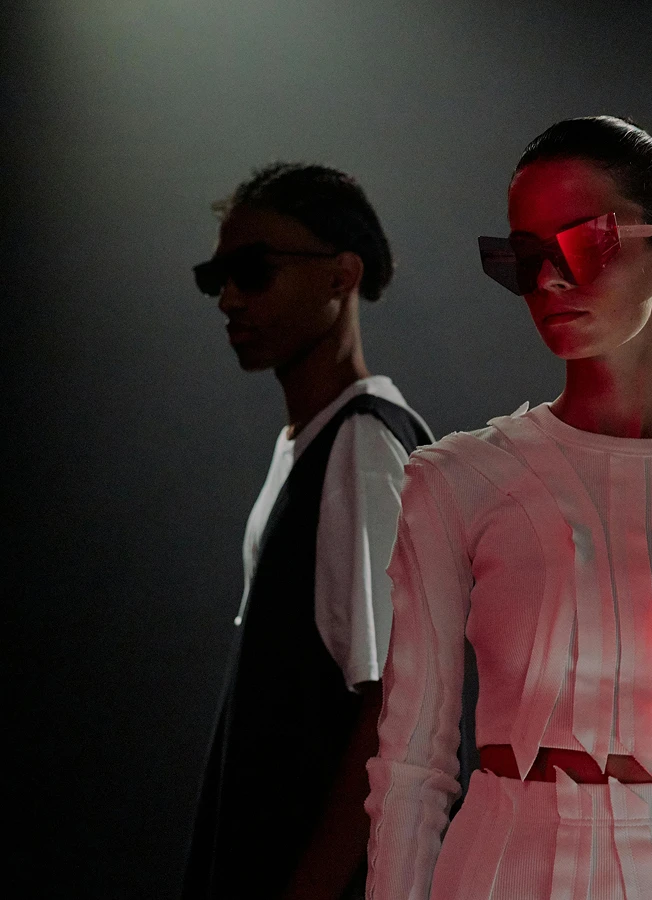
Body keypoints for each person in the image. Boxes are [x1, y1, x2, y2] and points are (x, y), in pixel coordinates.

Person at [365, 116, 652, 900]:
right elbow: (411, 767)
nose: (550, 279)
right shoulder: (454, 483)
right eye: (524, 257)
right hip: (501, 871)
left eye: (585, 244)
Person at [183, 162, 433, 900]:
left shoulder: (364, 446)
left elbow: (394, 715)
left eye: (254, 271)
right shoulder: (315, 443)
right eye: (218, 277)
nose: (229, 297)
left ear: (340, 275)